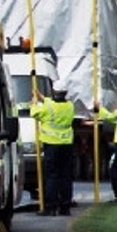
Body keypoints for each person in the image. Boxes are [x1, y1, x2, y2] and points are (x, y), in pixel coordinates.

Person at [31, 86, 76, 216]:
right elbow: (52, 104)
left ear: (54, 91)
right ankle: (65, 207)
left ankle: (50, 207)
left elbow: (34, 113)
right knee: (66, 177)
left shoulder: (47, 107)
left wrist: (34, 103)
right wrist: (42, 98)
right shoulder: (70, 106)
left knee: (52, 177)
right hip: (67, 145)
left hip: (52, 145)